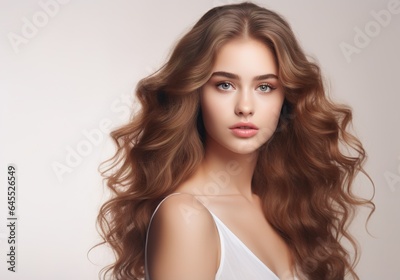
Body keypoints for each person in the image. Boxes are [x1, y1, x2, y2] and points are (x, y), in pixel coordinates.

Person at [96, 2, 374, 280]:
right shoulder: (185, 216)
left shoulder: (284, 208)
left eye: (264, 87)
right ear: (196, 93)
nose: (245, 106)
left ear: (286, 98)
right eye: (225, 85)